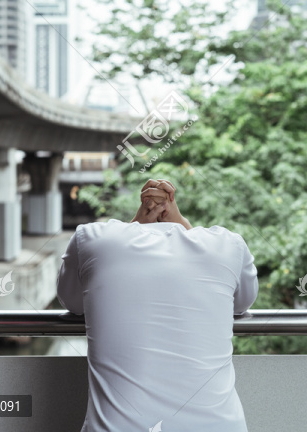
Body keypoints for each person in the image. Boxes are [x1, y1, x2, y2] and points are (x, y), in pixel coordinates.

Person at [57, 179, 258, 431]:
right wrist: (183, 226)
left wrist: (134, 227)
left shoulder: (90, 239)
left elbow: (73, 302)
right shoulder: (229, 245)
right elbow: (241, 303)